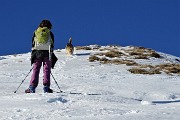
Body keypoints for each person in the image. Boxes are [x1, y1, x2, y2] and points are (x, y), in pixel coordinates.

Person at [25, 20, 56, 93]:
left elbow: (33, 43)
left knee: (35, 70)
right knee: (47, 70)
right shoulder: (50, 33)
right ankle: (46, 87)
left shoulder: (36, 32)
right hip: (47, 53)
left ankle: (32, 87)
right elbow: (52, 44)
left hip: (37, 53)